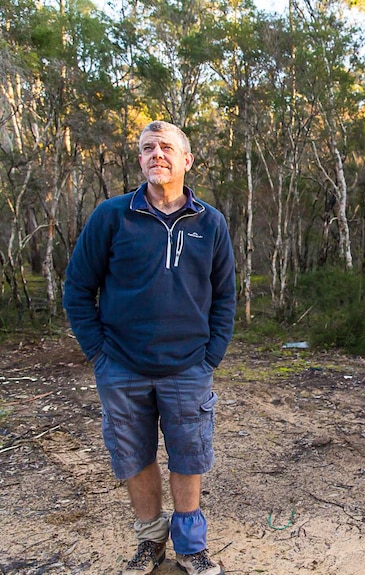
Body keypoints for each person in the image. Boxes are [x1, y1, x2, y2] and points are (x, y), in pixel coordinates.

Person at [63, 121, 236, 575]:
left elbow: (225, 297)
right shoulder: (112, 215)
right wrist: (99, 353)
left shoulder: (210, 223)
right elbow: (78, 288)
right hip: (121, 366)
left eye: (166, 147)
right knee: (134, 457)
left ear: (186, 160)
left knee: (188, 456)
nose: (156, 154)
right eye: (147, 148)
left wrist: (210, 355)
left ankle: (191, 547)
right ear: (139, 160)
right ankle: (150, 543)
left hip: (188, 369)